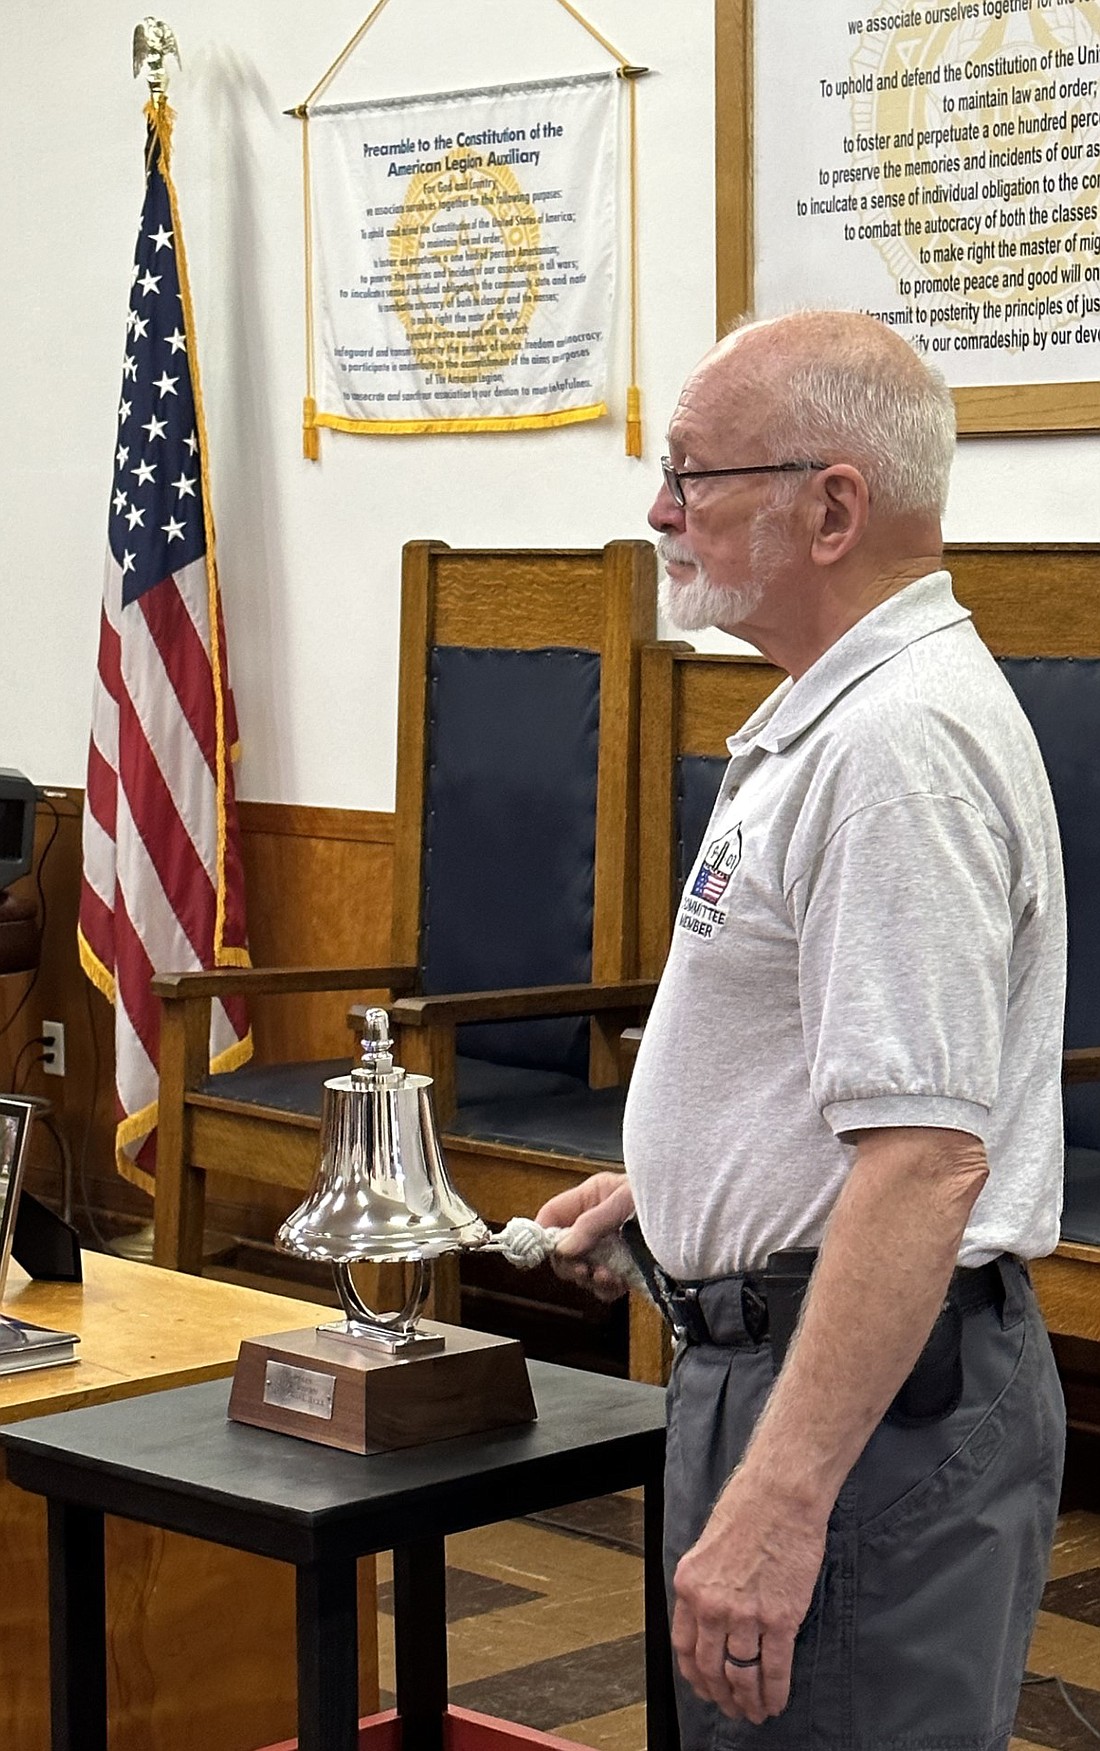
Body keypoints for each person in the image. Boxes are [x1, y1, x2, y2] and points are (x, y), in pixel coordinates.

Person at [536, 309, 1066, 1750]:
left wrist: (778, 1505)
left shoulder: (897, 748)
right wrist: (687, 1192)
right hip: (794, 1358)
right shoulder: (833, 716)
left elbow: (924, 1163)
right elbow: (846, 1077)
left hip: (866, 1408)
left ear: (832, 505)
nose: (660, 510)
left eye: (696, 475)